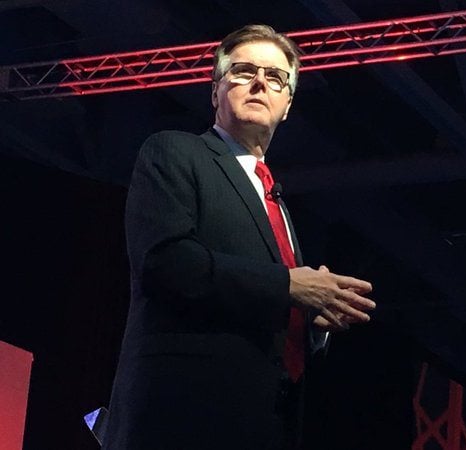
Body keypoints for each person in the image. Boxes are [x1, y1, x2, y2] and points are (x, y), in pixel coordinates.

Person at [103, 24, 375, 450]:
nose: (260, 82)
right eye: (244, 71)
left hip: (263, 425)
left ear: (287, 105)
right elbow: (166, 262)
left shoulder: (277, 201)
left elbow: (257, 302)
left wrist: (309, 321)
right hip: (181, 419)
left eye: (276, 77)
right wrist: (289, 285)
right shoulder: (174, 151)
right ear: (215, 92)